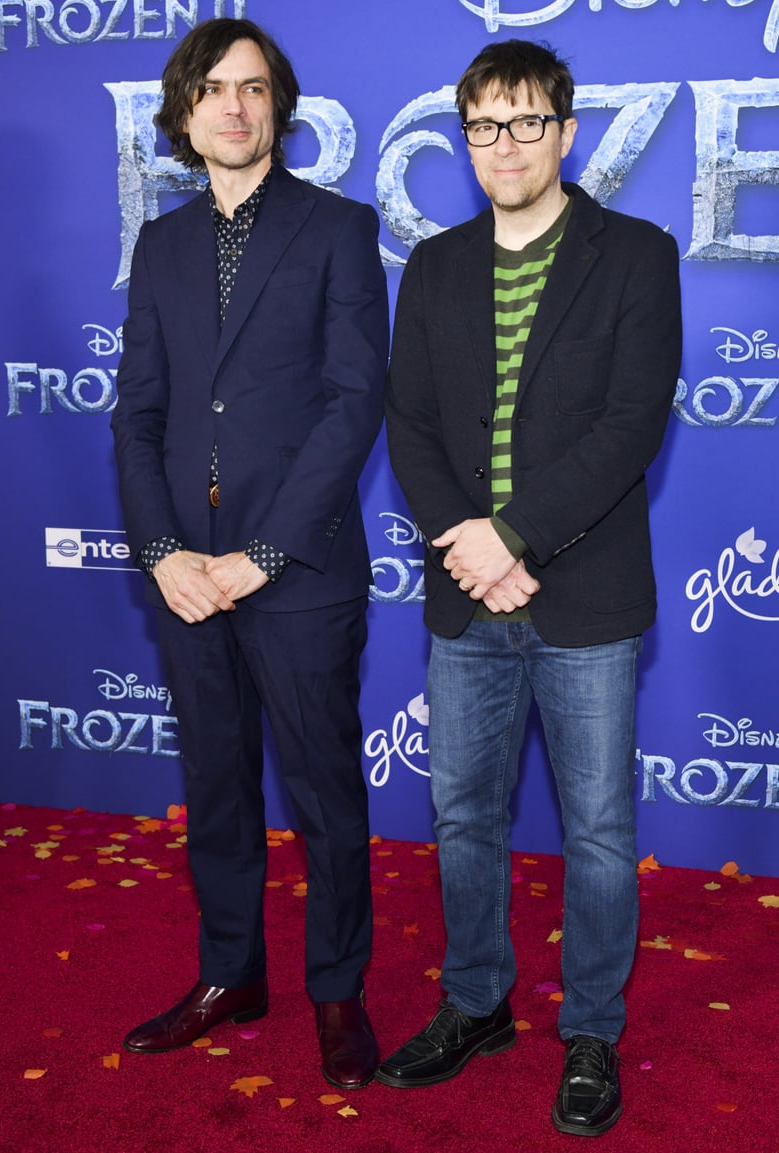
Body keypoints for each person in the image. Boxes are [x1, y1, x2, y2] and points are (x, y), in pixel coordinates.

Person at [377, 39, 682, 1135]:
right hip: (466, 595)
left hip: (583, 594)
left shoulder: (636, 254)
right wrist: (468, 547)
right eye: (482, 125)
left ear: (563, 130)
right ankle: (476, 1005)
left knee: (597, 827)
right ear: (465, 140)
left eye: (525, 121)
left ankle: (592, 1026)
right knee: (464, 816)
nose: (503, 144)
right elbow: (406, 424)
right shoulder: (435, 265)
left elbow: (628, 427)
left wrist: (512, 537)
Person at [111, 17, 389, 1090]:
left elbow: (354, 402)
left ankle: (336, 990)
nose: (236, 106)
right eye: (215, 89)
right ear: (184, 113)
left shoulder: (336, 226)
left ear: (280, 105)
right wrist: (163, 552)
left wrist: (264, 552)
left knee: (325, 792)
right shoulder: (161, 246)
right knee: (216, 784)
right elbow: (139, 414)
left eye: (256, 88)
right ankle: (232, 974)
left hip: (299, 567)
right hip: (186, 574)